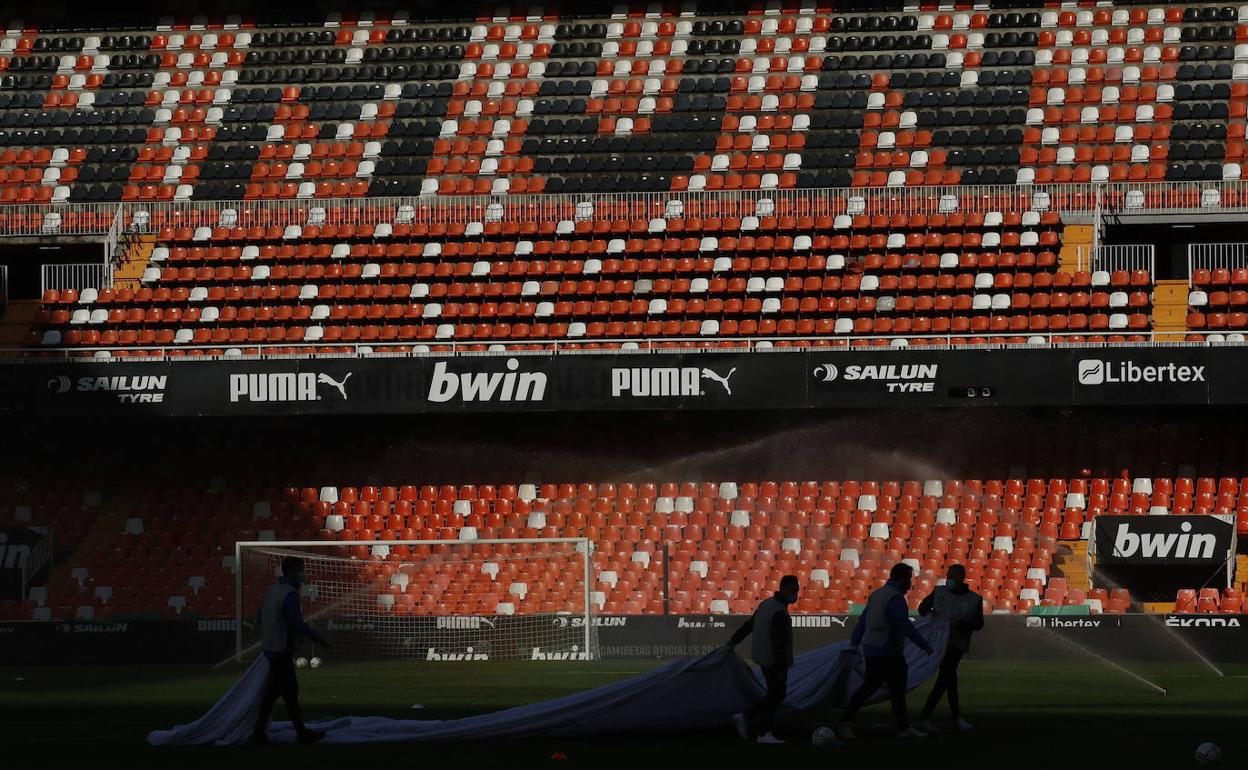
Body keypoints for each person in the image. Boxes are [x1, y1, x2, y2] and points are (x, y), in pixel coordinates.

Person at [835, 563, 934, 741]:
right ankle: (900, 728)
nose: (910, 583)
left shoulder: (877, 595)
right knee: (888, 689)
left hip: (873, 649)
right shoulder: (895, 598)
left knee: (876, 687)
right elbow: (903, 625)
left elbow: (863, 622)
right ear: (902, 578)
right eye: (909, 579)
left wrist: (855, 642)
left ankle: (849, 722)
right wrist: (924, 645)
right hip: (887, 651)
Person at [250, 556, 331, 745]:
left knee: (284, 692)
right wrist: (319, 640)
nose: (304, 573)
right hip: (281, 651)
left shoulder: (272, 590)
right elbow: (297, 623)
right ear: (293, 572)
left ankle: (264, 733)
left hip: (270, 649)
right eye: (301, 569)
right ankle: (264, 735)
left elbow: (260, 616)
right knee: (282, 693)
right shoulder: (289, 594)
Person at [725, 574, 800, 744]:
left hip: (764, 657)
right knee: (776, 695)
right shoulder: (779, 611)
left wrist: (733, 641)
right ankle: (763, 732)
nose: (796, 593)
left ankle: (746, 718)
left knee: (774, 695)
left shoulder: (766, 605)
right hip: (773, 660)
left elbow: (749, 625)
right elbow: (778, 643)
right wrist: (781, 667)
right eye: (794, 589)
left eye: (797, 589)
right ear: (785, 589)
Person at [915, 564, 984, 734]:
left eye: (952, 576)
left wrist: (963, 624)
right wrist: (931, 609)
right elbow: (922, 610)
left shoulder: (974, 599)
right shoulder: (939, 592)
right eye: (948, 575)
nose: (948, 579)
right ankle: (950, 718)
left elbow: (979, 624)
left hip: (956, 643)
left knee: (947, 678)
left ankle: (930, 718)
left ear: (961, 577)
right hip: (937, 642)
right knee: (948, 678)